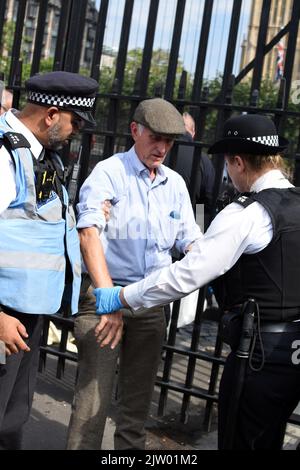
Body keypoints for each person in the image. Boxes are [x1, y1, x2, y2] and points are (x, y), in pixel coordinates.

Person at [94, 114, 300, 450]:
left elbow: (187, 274)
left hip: (260, 358)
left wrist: (122, 297)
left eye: (228, 165)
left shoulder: (248, 213)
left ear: (237, 161)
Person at [66, 98, 201, 450]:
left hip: (150, 303)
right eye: (155, 137)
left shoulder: (176, 184)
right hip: (104, 295)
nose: (161, 148)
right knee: (92, 402)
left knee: (137, 405)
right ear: (134, 130)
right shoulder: (110, 172)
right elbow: (87, 232)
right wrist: (107, 297)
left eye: (169, 142)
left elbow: (191, 239)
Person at [0, 71, 99, 450]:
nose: (76, 131)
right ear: (52, 114)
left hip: (26, 316)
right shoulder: (5, 154)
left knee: (12, 419)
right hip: (6, 317)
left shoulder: (41, 158)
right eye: (75, 122)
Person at [164, 111, 215, 228]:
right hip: (185, 226)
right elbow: (207, 201)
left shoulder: (160, 151)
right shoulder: (203, 159)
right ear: (193, 133)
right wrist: (199, 229)